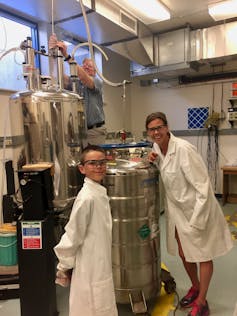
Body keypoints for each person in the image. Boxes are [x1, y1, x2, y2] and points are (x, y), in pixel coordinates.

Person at [145, 112, 233, 316]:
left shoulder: (184, 149)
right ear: (148, 132)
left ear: (167, 128)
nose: (156, 132)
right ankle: (195, 286)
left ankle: (202, 302)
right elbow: (168, 172)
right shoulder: (157, 148)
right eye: (152, 129)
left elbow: (203, 187)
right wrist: (153, 160)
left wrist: (197, 220)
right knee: (185, 252)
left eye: (159, 127)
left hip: (197, 209)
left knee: (202, 254)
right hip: (177, 211)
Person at [54, 145, 118, 316]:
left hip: (99, 262)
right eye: (92, 163)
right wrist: (63, 266)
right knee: (92, 307)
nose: (98, 166)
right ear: (82, 168)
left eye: (102, 162)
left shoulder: (99, 192)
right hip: (90, 267)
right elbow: (73, 235)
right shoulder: (87, 198)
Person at [49, 34, 107, 145]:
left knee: (94, 160)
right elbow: (59, 77)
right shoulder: (76, 83)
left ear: (95, 70)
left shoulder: (97, 81)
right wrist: (55, 55)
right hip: (79, 131)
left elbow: (84, 78)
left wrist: (66, 55)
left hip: (95, 132)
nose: (86, 67)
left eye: (89, 66)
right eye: (84, 66)